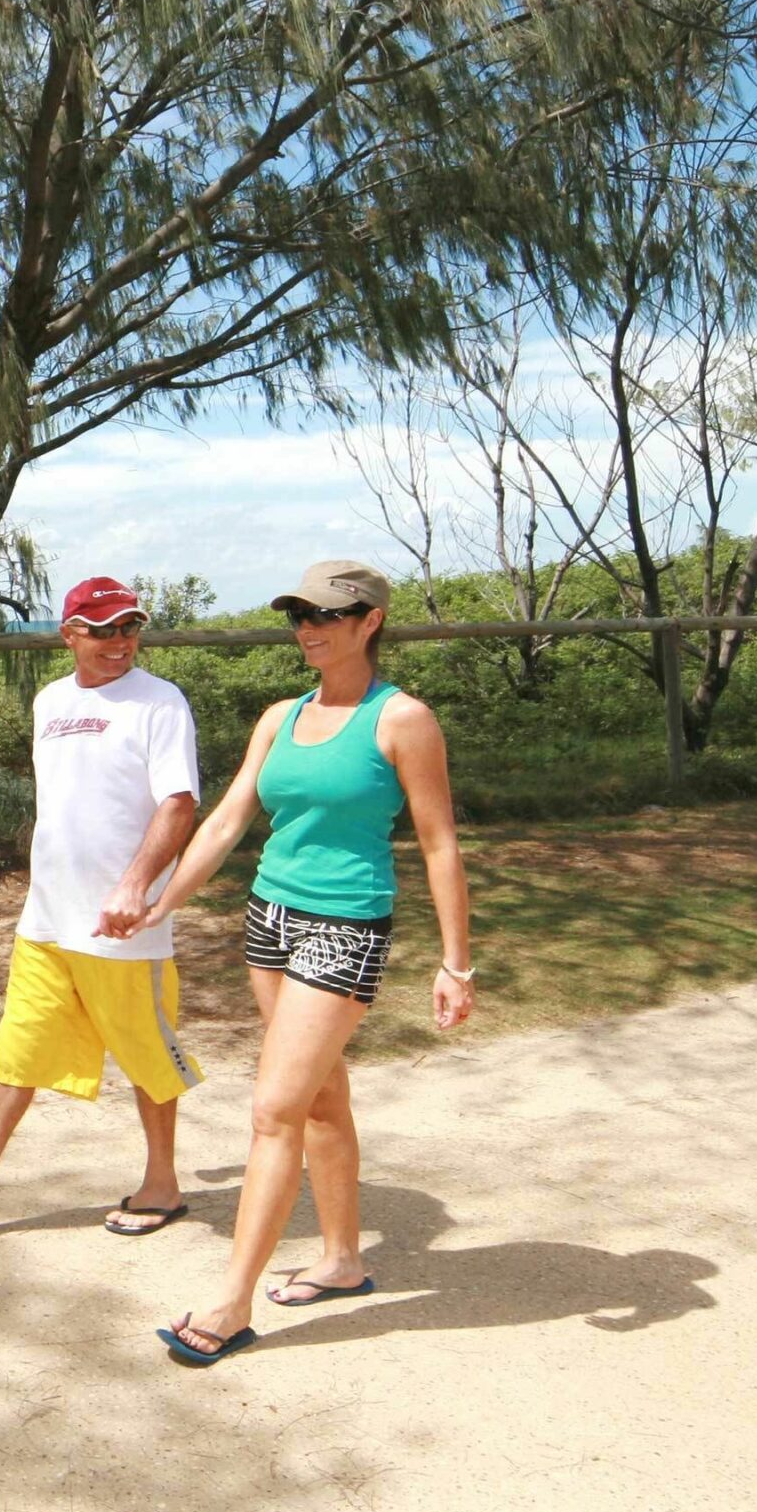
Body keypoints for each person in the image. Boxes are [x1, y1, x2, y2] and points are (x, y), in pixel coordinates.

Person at [140, 559, 475, 1367]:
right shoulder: (279, 716)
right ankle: (342, 1257)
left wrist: (456, 962)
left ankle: (230, 1301)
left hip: (346, 923)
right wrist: (159, 901)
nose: (308, 627)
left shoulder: (403, 719)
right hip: (271, 918)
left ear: (371, 621)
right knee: (320, 1099)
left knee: (273, 1110)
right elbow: (224, 823)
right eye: (300, 614)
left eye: (329, 614)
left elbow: (438, 841)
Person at [0, 576, 204, 1241]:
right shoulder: (50, 701)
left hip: (123, 923)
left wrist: (136, 885)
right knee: (18, 1048)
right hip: (47, 918)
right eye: (104, 629)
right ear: (71, 635)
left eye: (129, 626)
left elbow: (178, 803)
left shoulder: (159, 702)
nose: (120, 641)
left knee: (146, 1051)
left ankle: (164, 1181)